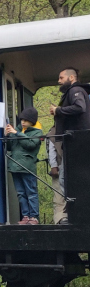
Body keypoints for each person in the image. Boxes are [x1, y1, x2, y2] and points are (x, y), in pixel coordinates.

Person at [49, 67, 90, 218]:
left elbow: (80, 107)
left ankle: (76, 209)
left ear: (71, 78)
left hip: (76, 141)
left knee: (66, 178)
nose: (59, 81)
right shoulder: (75, 91)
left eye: (61, 78)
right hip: (75, 141)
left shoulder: (75, 90)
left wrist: (59, 110)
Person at [5, 107, 43, 225]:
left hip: (27, 166)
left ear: (32, 121)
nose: (23, 122)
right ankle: (26, 216)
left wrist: (17, 134)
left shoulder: (37, 132)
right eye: (22, 119)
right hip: (15, 166)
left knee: (31, 192)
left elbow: (30, 144)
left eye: (26, 120)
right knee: (21, 193)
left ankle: (34, 217)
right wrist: (7, 136)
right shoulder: (18, 130)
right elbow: (10, 147)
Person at [46, 126, 67, 225]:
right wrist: (54, 166)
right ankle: (61, 219)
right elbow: (51, 150)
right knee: (59, 197)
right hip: (59, 168)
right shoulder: (53, 132)